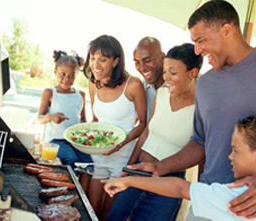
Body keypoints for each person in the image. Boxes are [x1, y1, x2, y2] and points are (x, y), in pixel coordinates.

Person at [127, 1, 256, 220]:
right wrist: (160, 167)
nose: (197, 50)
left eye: (201, 40)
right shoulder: (205, 84)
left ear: (226, 30)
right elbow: (200, 142)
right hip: (207, 200)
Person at [103, 114, 256, 221]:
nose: (229, 156)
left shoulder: (236, 196)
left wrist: (127, 180)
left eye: (235, 150)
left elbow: (179, 188)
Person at [106, 43, 203, 221]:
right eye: (165, 71)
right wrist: (128, 167)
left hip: (168, 183)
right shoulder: (162, 93)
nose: (166, 77)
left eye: (173, 73)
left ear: (192, 73)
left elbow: (200, 151)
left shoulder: (202, 109)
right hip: (139, 172)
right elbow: (146, 132)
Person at [81, 35, 146, 220]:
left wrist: (121, 143)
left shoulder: (133, 84)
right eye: (93, 58)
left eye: (103, 59)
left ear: (116, 61)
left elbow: (143, 124)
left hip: (122, 157)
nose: (96, 65)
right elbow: (95, 119)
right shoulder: (93, 83)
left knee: (108, 216)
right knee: (90, 211)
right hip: (99, 155)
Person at [37, 50, 92, 168]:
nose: (67, 79)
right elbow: (39, 119)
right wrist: (51, 117)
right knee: (71, 158)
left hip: (75, 141)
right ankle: (69, 185)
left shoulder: (80, 95)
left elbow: (83, 119)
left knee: (88, 161)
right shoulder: (50, 92)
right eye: (63, 73)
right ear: (55, 72)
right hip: (56, 141)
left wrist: (85, 130)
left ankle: (82, 186)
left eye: (72, 75)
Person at [133, 36, 165, 121]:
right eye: (137, 62)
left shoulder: (177, 84)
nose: (142, 68)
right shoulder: (142, 86)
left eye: (147, 61)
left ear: (162, 58)